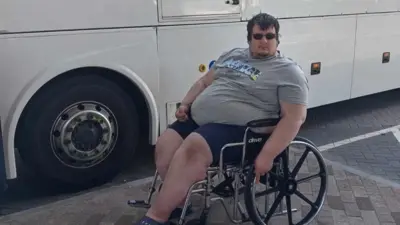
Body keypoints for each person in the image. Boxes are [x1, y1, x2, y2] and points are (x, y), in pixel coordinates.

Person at [134, 12, 309, 225]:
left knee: (193, 148)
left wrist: (267, 156)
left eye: (269, 36)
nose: (264, 41)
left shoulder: (288, 72)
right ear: (249, 39)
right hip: (200, 120)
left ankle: (155, 218)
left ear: (277, 39)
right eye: (258, 36)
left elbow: (294, 118)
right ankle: (179, 204)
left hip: (240, 129)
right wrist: (186, 104)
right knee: (165, 144)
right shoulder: (232, 55)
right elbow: (203, 83)